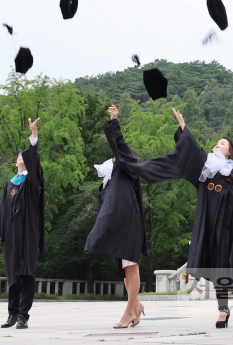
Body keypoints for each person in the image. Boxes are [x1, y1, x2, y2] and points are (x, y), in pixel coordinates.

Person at [130, 108, 233, 328]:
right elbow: (192, 151)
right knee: (219, 269)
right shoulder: (206, 170)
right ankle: (223, 311)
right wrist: (183, 127)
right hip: (213, 229)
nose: (217, 145)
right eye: (217, 143)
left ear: (231, 151)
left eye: (222, 143)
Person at [84, 105, 149, 329]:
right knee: (124, 271)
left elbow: (119, 146)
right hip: (117, 227)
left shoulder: (130, 167)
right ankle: (137, 305)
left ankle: (129, 312)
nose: (116, 156)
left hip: (130, 223)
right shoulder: (112, 178)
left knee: (131, 267)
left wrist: (114, 123)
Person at [0, 117, 45, 330]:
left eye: (25, 155)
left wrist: (33, 137)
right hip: (12, 237)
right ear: (16, 162)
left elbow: (33, 160)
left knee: (27, 274)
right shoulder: (10, 184)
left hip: (29, 235)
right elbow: (2, 212)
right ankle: (12, 314)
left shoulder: (32, 182)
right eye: (19, 156)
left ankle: (24, 315)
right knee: (13, 275)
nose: (21, 157)